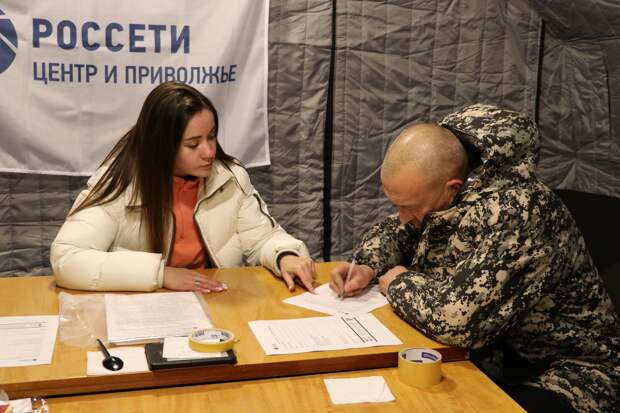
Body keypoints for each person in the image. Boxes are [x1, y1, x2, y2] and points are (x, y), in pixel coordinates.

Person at [330, 104, 620, 413]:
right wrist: (367, 265)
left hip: (568, 374)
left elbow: (458, 321)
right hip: (493, 359)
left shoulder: (519, 212)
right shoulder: (455, 188)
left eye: (408, 207)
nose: (402, 217)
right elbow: (399, 230)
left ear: (452, 188)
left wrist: (399, 283)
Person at [51, 81, 315, 293]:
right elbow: (67, 259)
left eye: (212, 136)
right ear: (161, 145)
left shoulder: (230, 177)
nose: (209, 152)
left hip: (217, 303)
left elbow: (263, 238)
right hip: (144, 309)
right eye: (193, 144)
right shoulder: (120, 183)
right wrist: (160, 274)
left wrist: (285, 255)